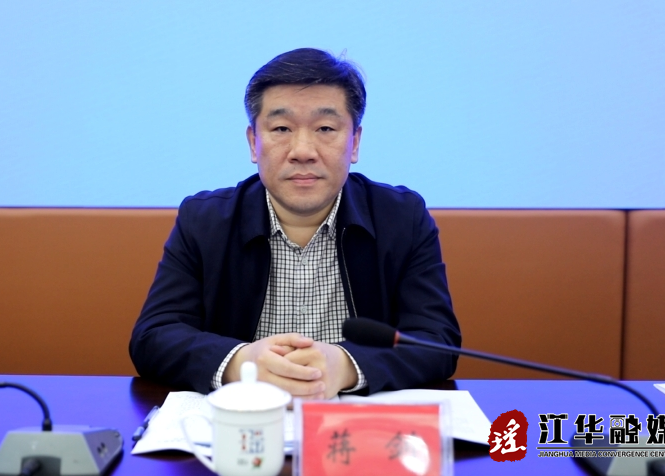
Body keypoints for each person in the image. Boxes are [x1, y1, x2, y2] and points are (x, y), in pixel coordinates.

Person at [129, 48, 461, 398]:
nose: (303, 151)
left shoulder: (402, 218)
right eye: (282, 128)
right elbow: (154, 336)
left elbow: (436, 339)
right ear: (254, 142)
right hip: (244, 420)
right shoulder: (205, 221)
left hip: (355, 421)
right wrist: (241, 362)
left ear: (354, 143)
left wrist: (346, 366)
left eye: (325, 128)